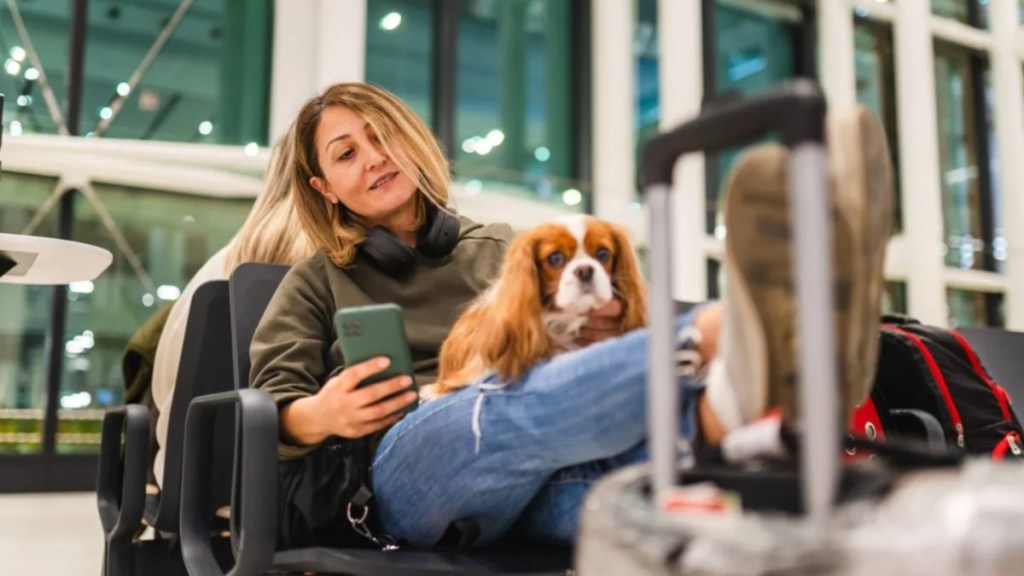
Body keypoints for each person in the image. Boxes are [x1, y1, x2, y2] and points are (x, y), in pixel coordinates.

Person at [250, 82, 892, 548]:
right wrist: (320, 414)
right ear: (324, 189)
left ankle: (752, 408)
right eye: (345, 153)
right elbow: (265, 410)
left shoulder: (503, 247)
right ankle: (735, 338)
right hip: (401, 473)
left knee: (650, 490)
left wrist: (601, 336)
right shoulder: (314, 282)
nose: (374, 157)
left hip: (539, 479)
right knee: (499, 398)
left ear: (412, 140)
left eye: (382, 135)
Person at [150, 127, 313, 487]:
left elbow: (165, 393)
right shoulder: (343, 275)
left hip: (195, 486)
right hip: (302, 495)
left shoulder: (216, 270)